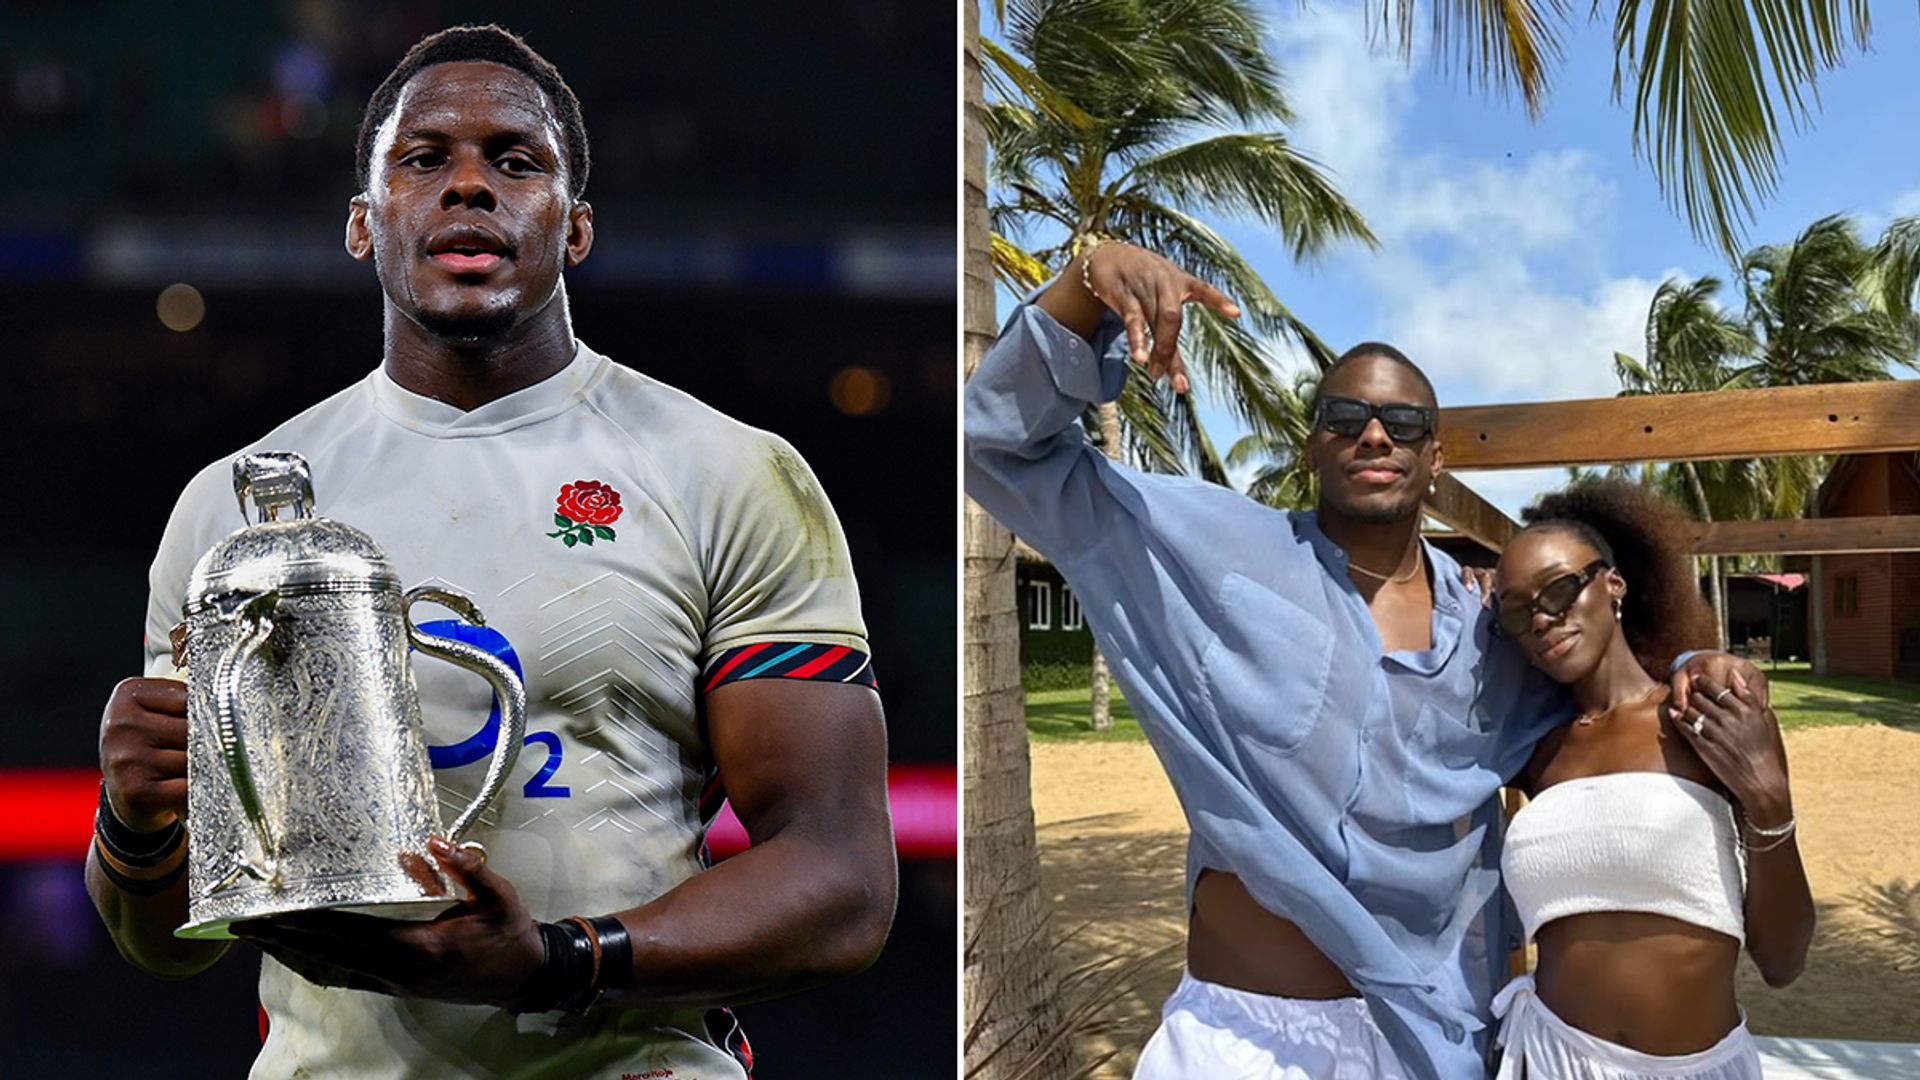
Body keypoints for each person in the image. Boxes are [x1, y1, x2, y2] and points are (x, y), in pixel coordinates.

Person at [87, 25, 895, 1079]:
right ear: (362, 223)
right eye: (424, 160)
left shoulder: (728, 471)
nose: (470, 186)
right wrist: (134, 821)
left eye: (517, 161)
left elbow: (843, 885)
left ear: (577, 230)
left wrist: (557, 961)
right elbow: (162, 942)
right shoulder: (230, 513)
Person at [962, 239, 1767, 1080]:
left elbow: (1603, 681)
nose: (1374, 434)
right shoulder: (1217, 551)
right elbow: (997, 447)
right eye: (1344, 419)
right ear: (1312, 446)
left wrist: (1695, 658)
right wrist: (1086, 284)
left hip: (1433, 1042)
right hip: (1246, 1040)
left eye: (1404, 423)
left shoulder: (1495, 632)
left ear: (1434, 456)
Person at [1489, 481, 1813, 1079]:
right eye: (1516, 608)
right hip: (1547, 1056)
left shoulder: (1707, 716)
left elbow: (1782, 960)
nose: (1542, 617)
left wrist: (1769, 802)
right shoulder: (1537, 752)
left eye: (1561, 589)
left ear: (1613, 583)